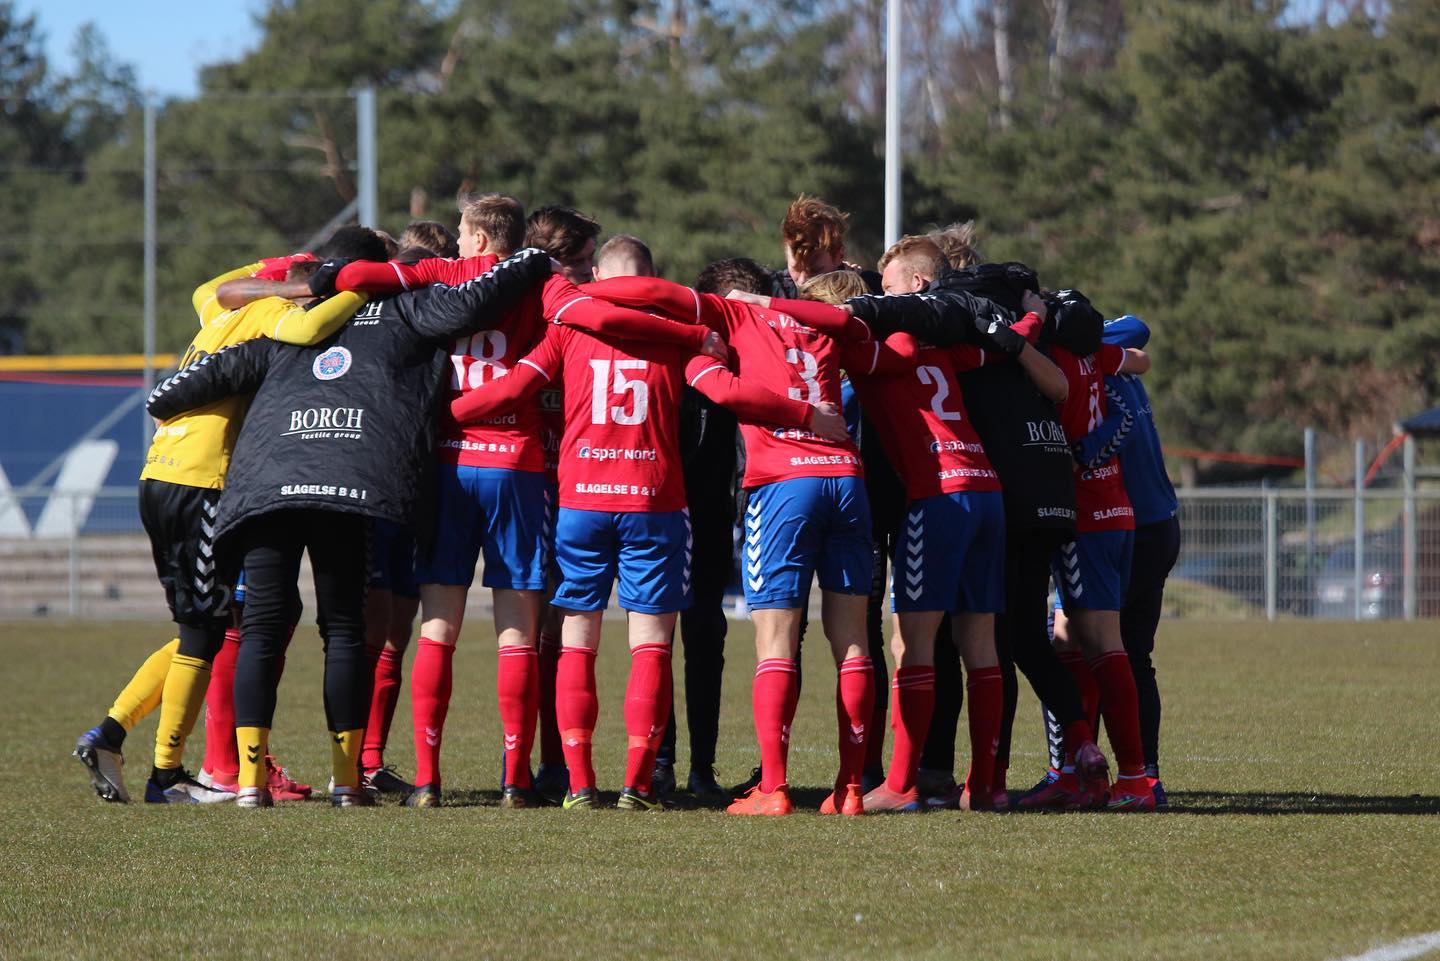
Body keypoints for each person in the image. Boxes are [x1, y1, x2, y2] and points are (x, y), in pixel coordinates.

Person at [316, 208, 729, 808]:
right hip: (531, 470)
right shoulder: (549, 293)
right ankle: (527, 777)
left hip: (460, 467)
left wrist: (430, 422)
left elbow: (369, 282)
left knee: (439, 625)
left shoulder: (442, 276)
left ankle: (431, 780)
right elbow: (524, 383)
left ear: (478, 238)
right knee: (537, 631)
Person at [145, 248, 555, 808]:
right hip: (352, 487)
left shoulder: (282, 332)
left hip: (269, 490)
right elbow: (477, 300)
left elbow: (167, 396)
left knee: (261, 631)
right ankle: (345, 782)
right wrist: (532, 258)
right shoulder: (408, 310)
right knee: (343, 631)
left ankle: (247, 784)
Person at [447, 291, 847, 811]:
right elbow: (725, 390)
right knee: (651, 644)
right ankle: (636, 786)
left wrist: (444, 414)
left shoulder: (569, 329)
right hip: (653, 501)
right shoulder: (676, 337)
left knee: (577, 639)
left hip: (582, 503)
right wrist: (805, 414)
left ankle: (580, 783)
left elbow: (514, 387)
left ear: (598, 282)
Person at [71, 228, 385, 805]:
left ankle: (133, 745)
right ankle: (157, 767)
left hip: (159, 472)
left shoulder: (219, 313)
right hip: (206, 479)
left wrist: (281, 262)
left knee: (212, 621)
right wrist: (362, 289)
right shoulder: (271, 314)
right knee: (209, 628)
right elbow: (309, 328)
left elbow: (208, 287)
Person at [584, 258, 882, 817]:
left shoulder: (733, 313)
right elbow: (882, 350)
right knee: (853, 641)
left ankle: (773, 789)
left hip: (784, 484)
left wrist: (574, 293)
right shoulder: (826, 324)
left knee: (775, 641)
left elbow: (651, 290)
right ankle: (851, 789)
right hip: (847, 477)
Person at [1041, 318, 1157, 811]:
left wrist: (1079, 455)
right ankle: (1077, 770)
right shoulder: (1097, 357)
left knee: (1106, 644)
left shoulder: (1057, 362)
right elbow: (1139, 356)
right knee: (1073, 636)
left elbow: (1124, 408)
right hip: (1116, 512)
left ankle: (1132, 779)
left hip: (1089, 515)